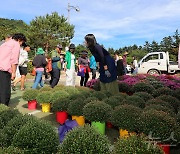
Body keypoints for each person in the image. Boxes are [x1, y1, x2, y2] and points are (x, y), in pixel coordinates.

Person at [0, 33, 26, 106]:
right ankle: (4, 107)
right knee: (5, 90)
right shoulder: (15, 44)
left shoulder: (4, 44)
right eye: (22, 42)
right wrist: (13, 72)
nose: (21, 44)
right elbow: (14, 60)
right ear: (19, 40)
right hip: (4, 69)